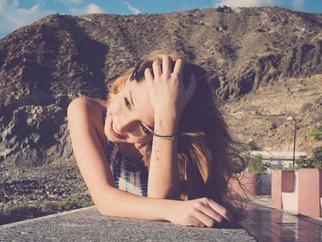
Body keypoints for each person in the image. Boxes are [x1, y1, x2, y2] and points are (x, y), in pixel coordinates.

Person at [67, 52, 247, 227]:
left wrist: (166, 119)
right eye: (128, 102)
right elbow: (104, 199)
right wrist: (173, 210)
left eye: (145, 127)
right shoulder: (86, 112)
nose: (121, 126)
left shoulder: (169, 139)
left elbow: (160, 200)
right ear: (129, 80)